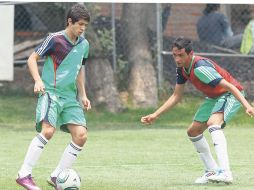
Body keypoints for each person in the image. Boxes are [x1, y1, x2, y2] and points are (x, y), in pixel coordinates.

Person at [141, 37, 254, 185]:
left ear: (190, 54)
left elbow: (230, 87)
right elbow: (176, 96)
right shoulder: (181, 69)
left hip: (229, 94)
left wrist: (247, 106)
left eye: (180, 55)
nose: (177, 58)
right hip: (213, 97)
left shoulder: (200, 67)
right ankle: (211, 171)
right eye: (174, 55)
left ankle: (226, 173)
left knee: (214, 124)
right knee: (193, 131)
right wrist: (155, 114)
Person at [16, 4, 91, 190]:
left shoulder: (84, 44)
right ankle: (24, 174)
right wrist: (37, 80)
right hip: (51, 93)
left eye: (85, 25)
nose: (82, 28)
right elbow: (32, 59)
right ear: (70, 22)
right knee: (48, 131)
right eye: (80, 24)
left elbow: (79, 68)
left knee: (81, 136)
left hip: (70, 97)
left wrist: (83, 94)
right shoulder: (54, 39)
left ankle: (57, 176)